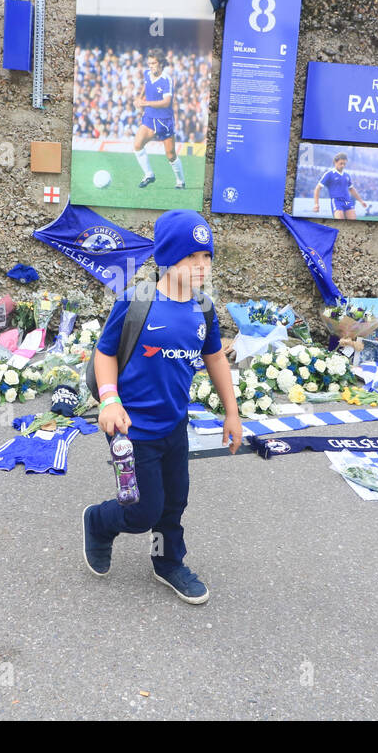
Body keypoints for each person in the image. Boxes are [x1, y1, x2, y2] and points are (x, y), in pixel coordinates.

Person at [82, 210, 241, 605]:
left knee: (174, 501)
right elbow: (104, 354)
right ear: (168, 258)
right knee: (141, 511)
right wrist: (109, 399)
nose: (202, 266)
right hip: (131, 428)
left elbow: (216, 358)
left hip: (174, 425)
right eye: (193, 257)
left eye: (207, 257)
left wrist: (232, 412)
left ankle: (167, 561)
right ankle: (99, 522)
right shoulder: (138, 302)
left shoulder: (203, 308)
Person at [132, 48, 185, 189]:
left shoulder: (166, 80)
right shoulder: (146, 74)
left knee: (170, 154)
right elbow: (145, 86)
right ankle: (149, 174)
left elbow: (167, 102)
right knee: (137, 145)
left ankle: (180, 181)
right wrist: (139, 98)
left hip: (164, 121)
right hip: (149, 117)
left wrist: (146, 103)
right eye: (149, 63)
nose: (151, 66)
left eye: (154, 63)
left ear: (160, 63)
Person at [312, 152, 369, 220]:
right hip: (337, 201)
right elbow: (317, 189)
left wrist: (361, 201)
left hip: (348, 201)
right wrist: (316, 204)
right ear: (335, 162)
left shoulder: (347, 175)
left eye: (344, 164)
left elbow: (352, 189)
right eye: (341, 163)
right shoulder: (329, 174)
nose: (343, 166)